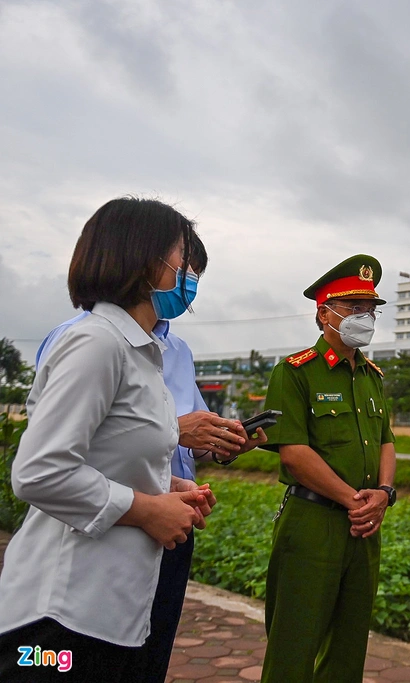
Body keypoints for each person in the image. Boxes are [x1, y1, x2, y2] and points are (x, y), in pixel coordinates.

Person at [32, 233, 267, 683]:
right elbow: (52, 460)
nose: (191, 282)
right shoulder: (82, 340)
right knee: (62, 660)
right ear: (141, 264)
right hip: (97, 533)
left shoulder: (176, 352)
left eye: (196, 272)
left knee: (145, 657)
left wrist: (221, 440)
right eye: (185, 268)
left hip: (168, 527)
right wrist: (174, 436)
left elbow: (185, 435)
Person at [0, 197, 215, 682]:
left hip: (112, 610)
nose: (188, 272)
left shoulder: (144, 354)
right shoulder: (96, 342)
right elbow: (39, 471)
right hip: (57, 622)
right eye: (181, 256)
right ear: (144, 260)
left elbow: (114, 458)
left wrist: (170, 491)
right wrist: (147, 508)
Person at [260, 255, 397, 683]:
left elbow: (387, 441)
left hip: (363, 529)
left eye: (370, 310)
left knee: (349, 647)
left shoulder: (372, 376)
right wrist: (353, 500)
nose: (365, 318)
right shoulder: (295, 371)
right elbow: (293, 453)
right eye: (354, 309)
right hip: (313, 523)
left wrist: (385, 494)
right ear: (324, 314)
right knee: (294, 645)